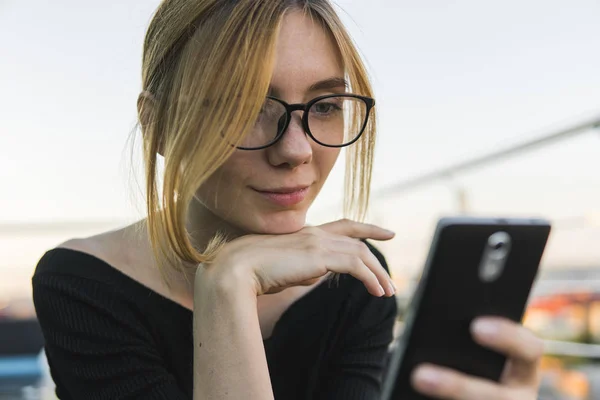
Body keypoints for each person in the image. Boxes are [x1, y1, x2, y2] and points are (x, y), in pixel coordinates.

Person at [31, 1, 544, 399]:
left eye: (324, 105)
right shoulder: (81, 285)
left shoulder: (357, 281)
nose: (296, 150)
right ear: (158, 125)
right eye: (247, 105)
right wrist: (226, 287)